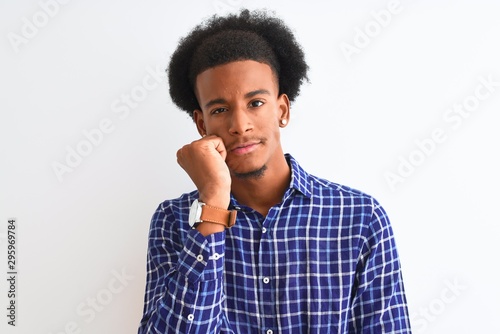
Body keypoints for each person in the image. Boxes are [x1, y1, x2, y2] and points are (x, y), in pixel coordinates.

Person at [138, 9, 411, 334]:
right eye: (220, 109)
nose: (240, 126)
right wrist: (212, 202)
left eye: (255, 103)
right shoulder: (173, 221)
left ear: (282, 110)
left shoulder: (360, 217)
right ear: (202, 124)